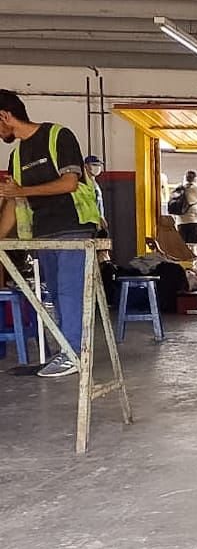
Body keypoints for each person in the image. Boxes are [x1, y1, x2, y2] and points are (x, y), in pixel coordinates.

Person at [0, 89, 101, 377]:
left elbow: (69, 183)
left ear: (5, 115)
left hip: (74, 226)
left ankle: (74, 354)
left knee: (70, 292)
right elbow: (14, 201)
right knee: (56, 293)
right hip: (44, 233)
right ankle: (66, 352)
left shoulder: (58, 136)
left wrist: (21, 191)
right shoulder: (17, 156)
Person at [83, 155, 108, 233]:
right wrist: (98, 218)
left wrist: (101, 217)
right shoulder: (84, 184)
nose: (97, 167)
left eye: (99, 165)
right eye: (94, 165)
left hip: (96, 222)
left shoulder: (94, 183)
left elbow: (98, 203)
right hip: (89, 222)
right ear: (86, 166)